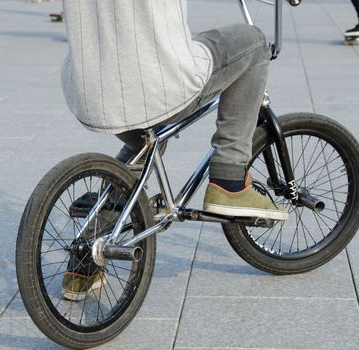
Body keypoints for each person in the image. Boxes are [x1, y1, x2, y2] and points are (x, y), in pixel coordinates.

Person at [59, 0, 288, 300]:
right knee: (254, 42)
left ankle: (84, 262)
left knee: (145, 140)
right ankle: (230, 178)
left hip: (91, 87)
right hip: (154, 83)